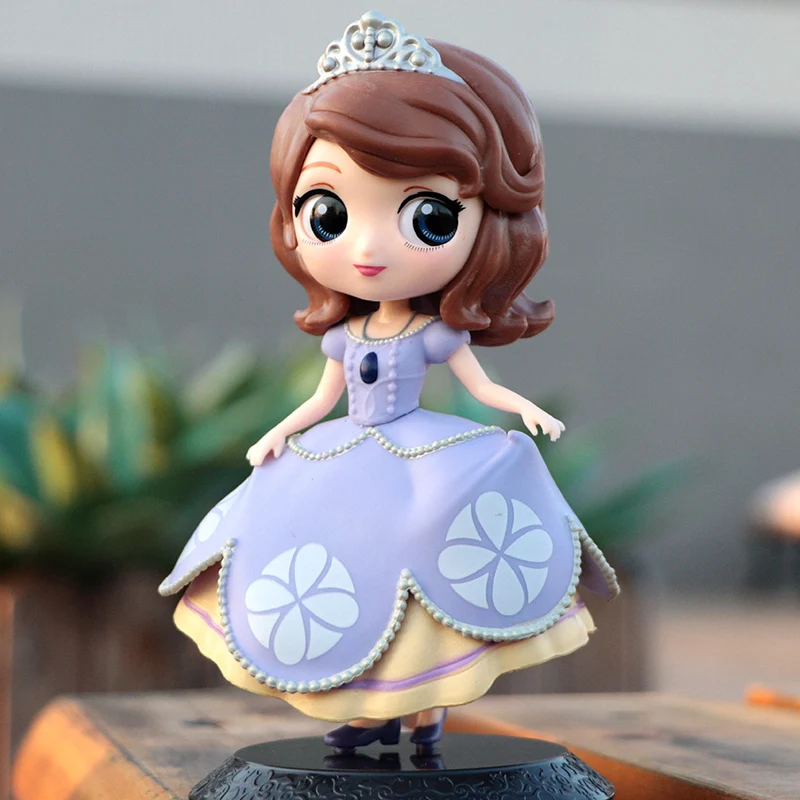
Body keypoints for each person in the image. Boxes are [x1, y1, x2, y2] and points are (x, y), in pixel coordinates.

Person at [160, 11, 619, 755]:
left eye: (428, 216)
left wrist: (526, 412)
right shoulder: (345, 335)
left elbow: (481, 386)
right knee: (344, 568)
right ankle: (369, 707)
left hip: (422, 459)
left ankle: (426, 708)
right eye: (329, 214)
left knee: (430, 556)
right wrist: (277, 435)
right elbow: (321, 399)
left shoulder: (433, 334)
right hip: (345, 451)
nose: (369, 248)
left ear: (489, 223)